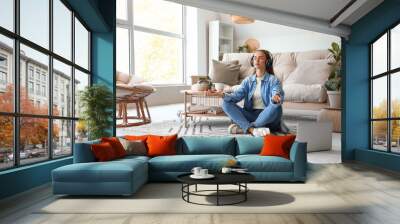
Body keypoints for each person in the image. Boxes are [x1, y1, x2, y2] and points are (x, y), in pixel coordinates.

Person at [222, 49, 285, 136]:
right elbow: (236, 96)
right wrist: (223, 95)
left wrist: (276, 96)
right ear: (252, 61)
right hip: (251, 115)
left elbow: (276, 89)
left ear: (267, 62)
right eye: (255, 58)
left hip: (267, 115)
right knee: (225, 103)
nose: (257, 60)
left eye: (261, 58)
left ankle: (246, 127)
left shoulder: (273, 80)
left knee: (276, 107)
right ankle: (253, 130)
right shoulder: (248, 81)